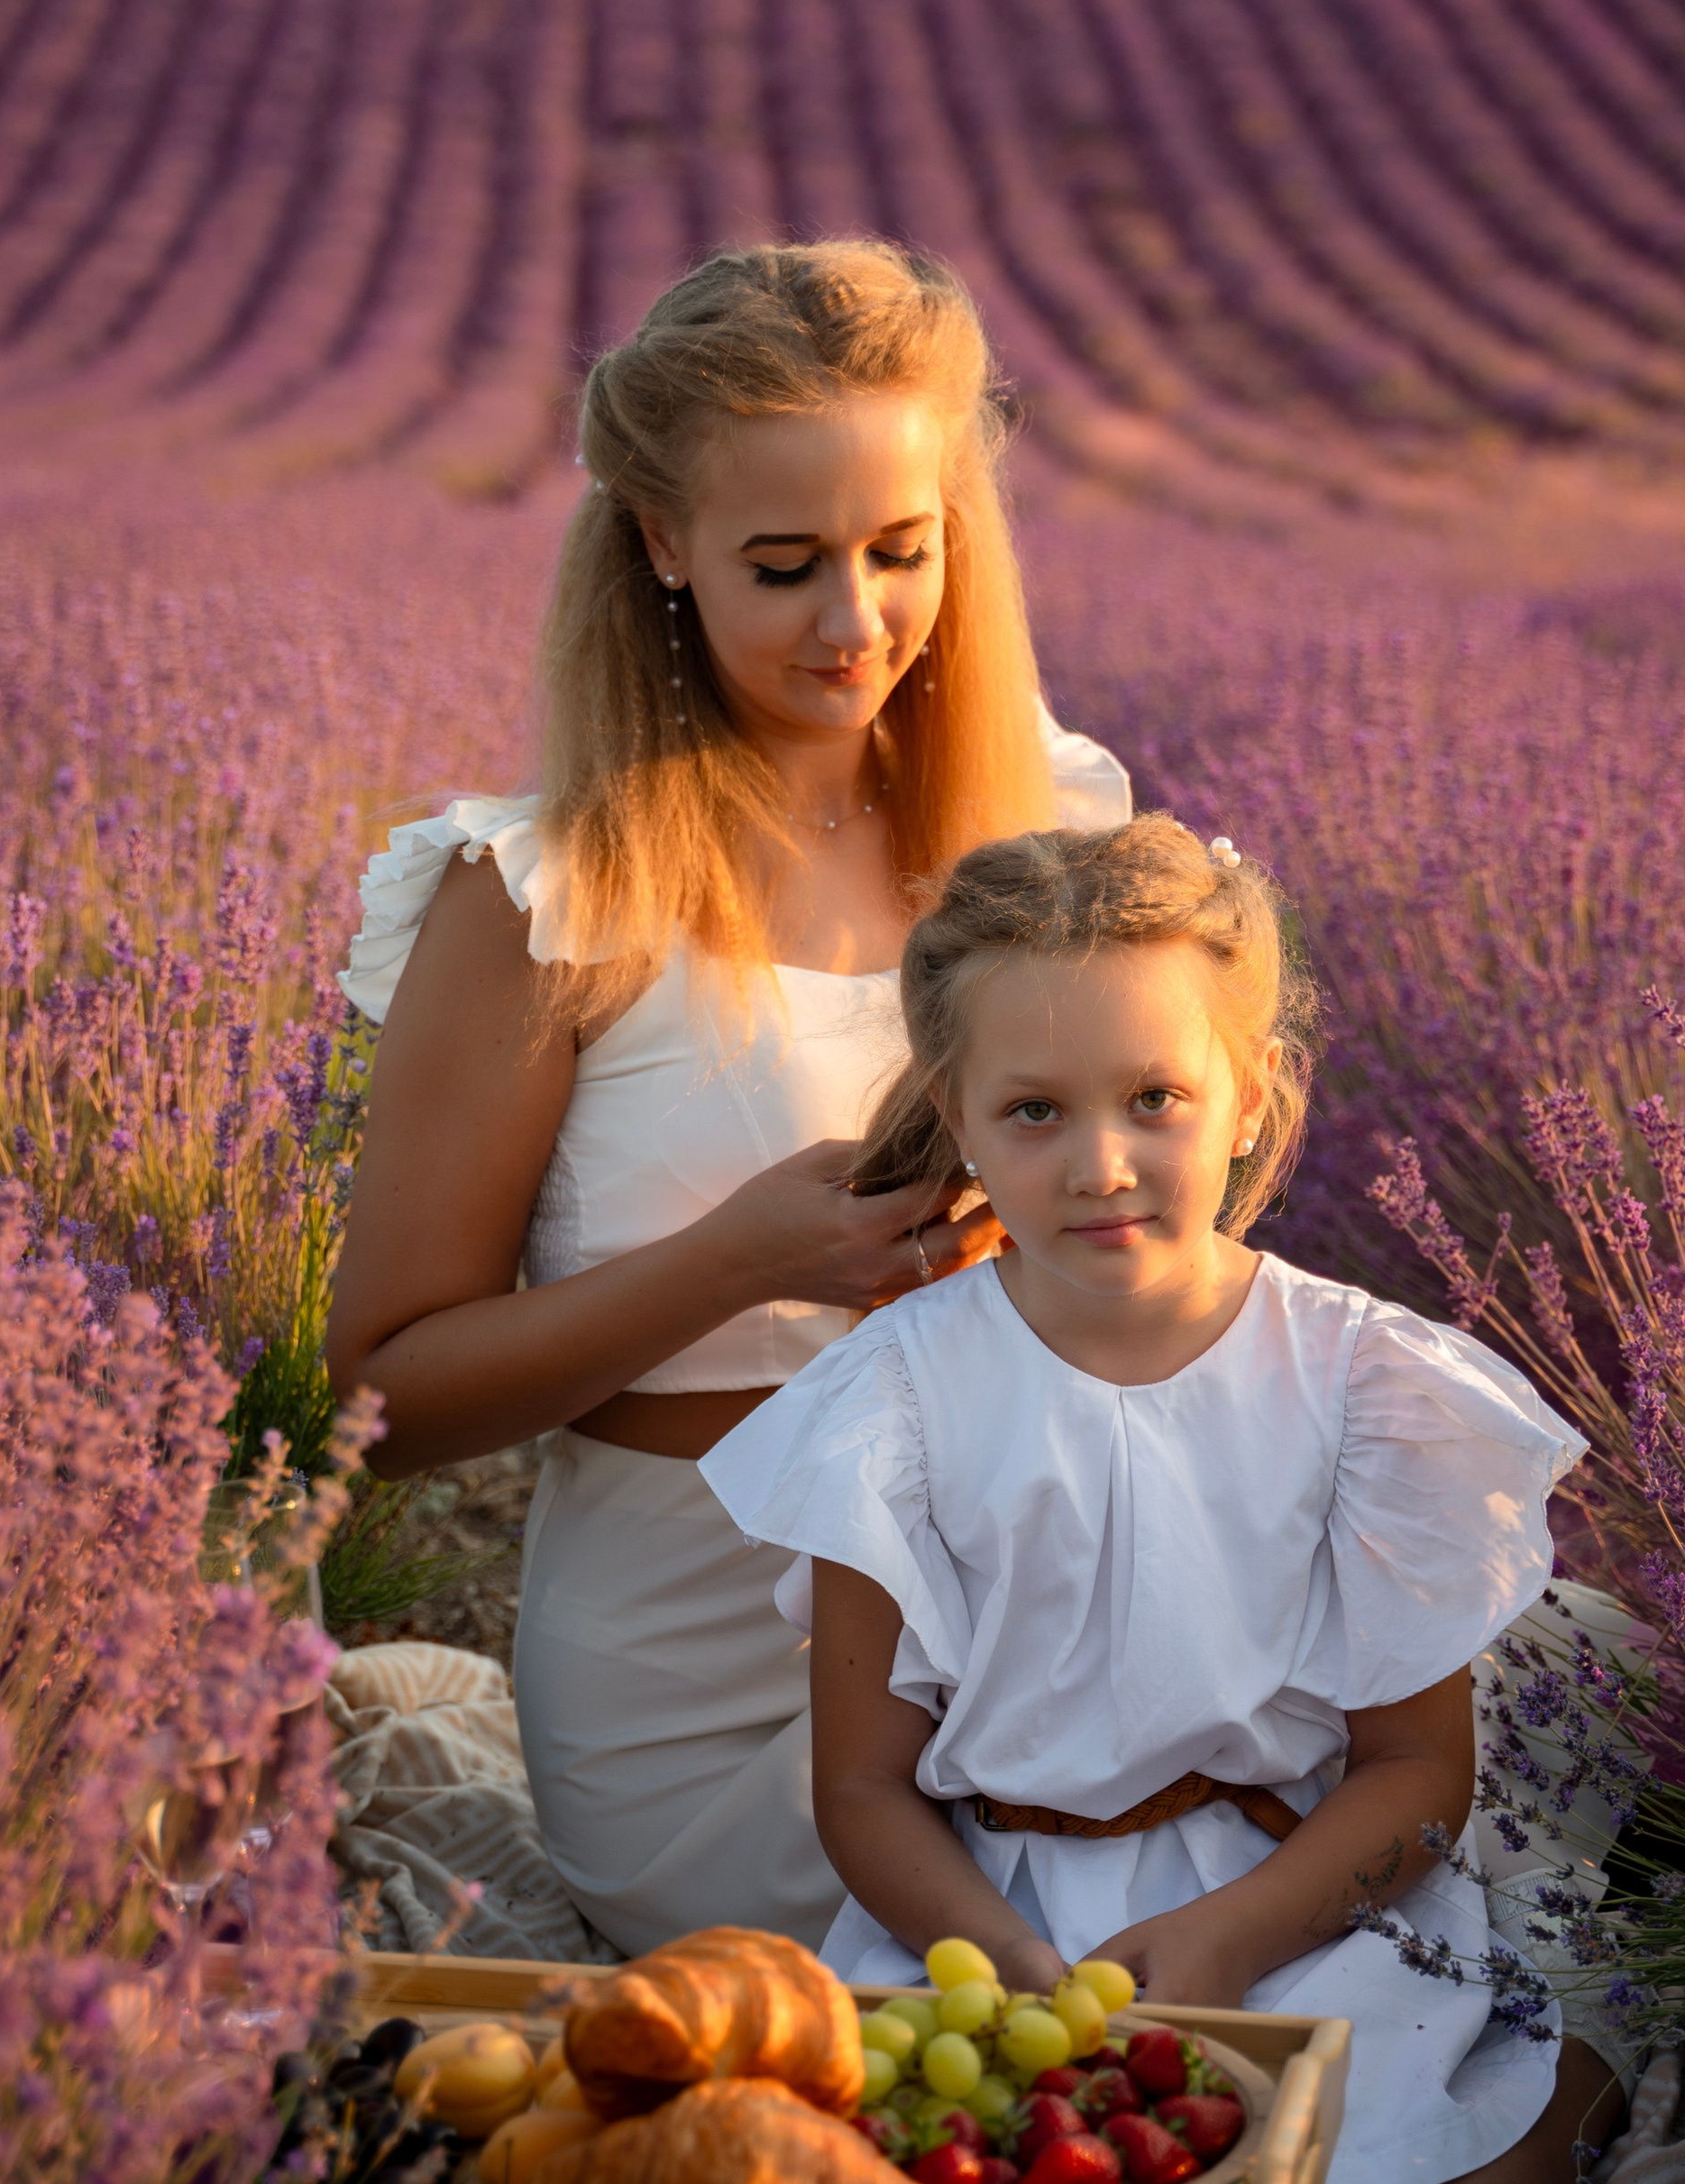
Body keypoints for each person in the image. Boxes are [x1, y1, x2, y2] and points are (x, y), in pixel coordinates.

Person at [701, 815, 1626, 2184]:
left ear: (1249, 1092)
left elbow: (1414, 1772)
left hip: (1283, 1896)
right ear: (960, 1120)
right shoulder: (896, 1398)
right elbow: (859, 1786)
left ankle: (1588, 2066)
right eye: (1037, 1111)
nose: (1103, 1162)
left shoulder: (1357, 1383)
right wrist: (1010, 1980)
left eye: (1157, 1100)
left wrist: (1219, 1942)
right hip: (982, 1921)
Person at [325, 242, 1129, 1956]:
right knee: (1161, 1925)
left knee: (1490, 1709)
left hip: (1015, 1601)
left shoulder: (1048, 825)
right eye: (785, 566)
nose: (857, 625)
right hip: (704, 1689)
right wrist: (738, 1261)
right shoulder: (548, 900)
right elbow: (381, 1398)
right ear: (662, 543)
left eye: (903, 553)